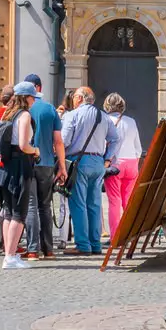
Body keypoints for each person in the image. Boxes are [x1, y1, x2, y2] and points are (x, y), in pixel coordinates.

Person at [61, 86, 113, 255]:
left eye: (75, 97)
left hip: (79, 161)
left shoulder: (72, 115)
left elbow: (64, 140)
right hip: (98, 161)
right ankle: (95, 243)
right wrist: (107, 158)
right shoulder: (103, 116)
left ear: (80, 98)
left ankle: (83, 245)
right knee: (94, 204)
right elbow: (116, 138)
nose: (73, 100)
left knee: (78, 203)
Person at [0, 86, 39, 269]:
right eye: (34, 97)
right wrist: (35, 150)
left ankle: (9, 253)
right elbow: (23, 144)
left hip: (5, 166)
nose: (35, 101)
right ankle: (11, 256)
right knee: (19, 213)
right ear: (27, 98)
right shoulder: (24, 116)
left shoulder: (7, 114)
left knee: (8, 211)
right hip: (20, 165)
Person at [24, 78, 66, 258]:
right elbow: (58, 141)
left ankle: (32, 250)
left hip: (28, 161)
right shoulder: (50, 108)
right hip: (48, 163)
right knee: (45, 207)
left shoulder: (23, 111)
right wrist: (62, 167)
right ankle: (48, 249)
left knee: (31, 206)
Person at [102, 93, 142, 242]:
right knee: (128, 201)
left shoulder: (106, 121)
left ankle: (115, 237)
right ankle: (131, 234)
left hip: (115, 164)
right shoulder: (131, 121)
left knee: (114, 201)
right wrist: (135, 161)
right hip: (132, 162)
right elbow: (138, 146)